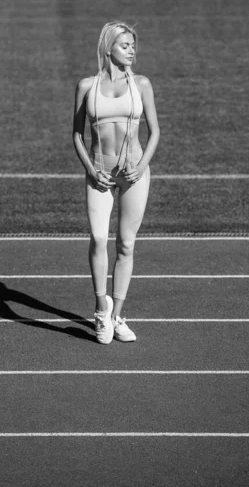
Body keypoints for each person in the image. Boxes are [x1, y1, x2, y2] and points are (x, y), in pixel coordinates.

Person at [73, 21, 160, 344]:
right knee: (98, 238)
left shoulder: (142, 84)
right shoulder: (86, 86)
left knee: (125, 244)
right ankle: (100, 310)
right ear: (108, 47)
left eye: (133, 45)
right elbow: (76, 135)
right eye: (125, 45)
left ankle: (118, 314)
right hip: (100, 174)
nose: (132, 51)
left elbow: (155, 131)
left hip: (134, 174)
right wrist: (92, 170)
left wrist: (141, 166)